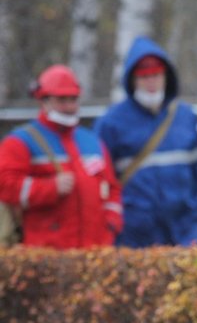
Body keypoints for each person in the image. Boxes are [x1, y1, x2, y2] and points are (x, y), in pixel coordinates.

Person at [94, 36, 197, 247]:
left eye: (156, 75)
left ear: (166, 77)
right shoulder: (111, 123)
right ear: (132, 80)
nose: (151, 82)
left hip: (183, 233)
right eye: (144, 76)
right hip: (133, 236)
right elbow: (99, 183)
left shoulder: (186, 117)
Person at [0, 64, 122, 249]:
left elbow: (112, 188)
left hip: (93, 251)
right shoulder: (20, 142)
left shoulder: (92, 141)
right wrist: (50, 188)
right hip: (45, 254)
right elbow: (6, 187)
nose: (69, 106)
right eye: (62, 100)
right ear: (43, 101)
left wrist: (111, 223)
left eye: (73, 99)